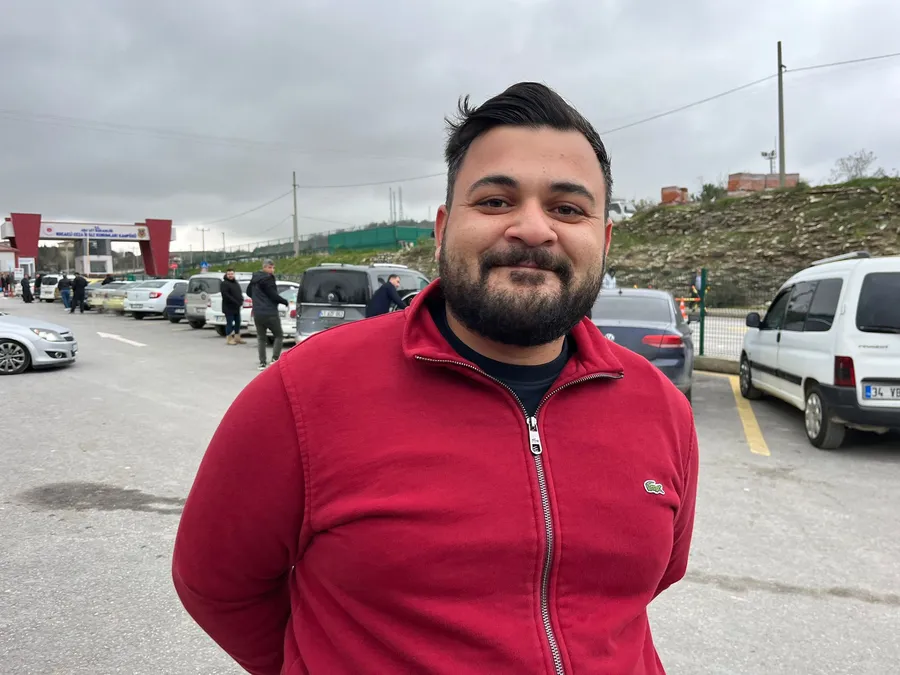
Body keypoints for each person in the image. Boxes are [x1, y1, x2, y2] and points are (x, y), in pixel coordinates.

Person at [173, 82, 698, 675]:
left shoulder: (662, 409)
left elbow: (650, 582)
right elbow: (217, 586)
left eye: (567, 209)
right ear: (443, 227)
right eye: (496, 201)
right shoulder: (302, 392)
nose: (532, 228)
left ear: (603, 240)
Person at [245, 259, 289, 370]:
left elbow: (248, 292)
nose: (272, 270)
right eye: (270, 267)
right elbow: (272, 295)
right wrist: (285, 301)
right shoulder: (268, 279)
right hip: (270, 312)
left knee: (261, 338)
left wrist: (258, 300)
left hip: (258, 312)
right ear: (264, 267)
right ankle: (274, 359)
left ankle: (262, 363)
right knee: (279, 335)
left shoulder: (255, 278)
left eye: (273, 268)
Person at [220, 269, 246, 346]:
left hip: (236, 307)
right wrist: (235, 301)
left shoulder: (235, 283)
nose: (230, 275)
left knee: (238, 322)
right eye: (229, 274)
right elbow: (226, 295)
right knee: (229, 323)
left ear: (234, 274)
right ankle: (229, 338)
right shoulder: (224, 283)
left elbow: (239, 293)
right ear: (226, 275)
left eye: (232, 274)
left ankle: (237, 337)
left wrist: (241, 300)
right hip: (228, 307)